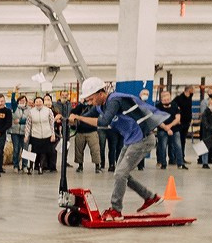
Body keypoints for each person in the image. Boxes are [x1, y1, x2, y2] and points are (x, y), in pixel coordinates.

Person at [69, 78, 164, 219]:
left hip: (142, 139)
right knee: (121, 174)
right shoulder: (99, 106)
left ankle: (116, 210)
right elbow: (84, 119)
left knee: (120, 174)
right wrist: (67, 119)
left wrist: (79, 118)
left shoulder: (114, 100)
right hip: (131, 140)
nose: (90, 102)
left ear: (101, 93)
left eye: (91, 99)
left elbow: (103, 121)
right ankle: (150, 197)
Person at [23, 95, 55, 174]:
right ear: (34, 103)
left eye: (40, 101)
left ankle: (41, 167)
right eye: (36, 102)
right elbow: (28, 125)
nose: (38, 103)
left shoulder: (48, 111)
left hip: (46, 135)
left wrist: (53, 134)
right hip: (35, 135)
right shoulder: (31, 112)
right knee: (33, 152)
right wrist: (26, 135)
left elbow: (52, 123)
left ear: (43, 102)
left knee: (43, 152)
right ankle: (30, 167)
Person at [154, 90, 184, 170]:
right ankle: (163, 163)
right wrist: (166, 128)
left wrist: (170, 126)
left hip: (174, 129)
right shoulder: (158, 107)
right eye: (164, 100)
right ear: (161, 100)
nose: (166, 101)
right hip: (162, 129)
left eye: (168, 99)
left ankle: (180, 163)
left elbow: (177, 119)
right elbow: (158, 120)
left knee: (178, 146)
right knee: (162, 146)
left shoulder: (175, 105)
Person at [8, 93, 28, 172]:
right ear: (18, 101)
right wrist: (14, 91)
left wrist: (20, 121)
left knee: (25, 150)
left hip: (25, 133)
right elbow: (12, 100)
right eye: (21, 100)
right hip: (15, 132)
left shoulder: (29, 110)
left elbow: (29, 120)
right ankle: (15, 166)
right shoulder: (15, 108)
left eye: (24, 100)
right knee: (16, 149)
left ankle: (24, 166)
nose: (22, 101)